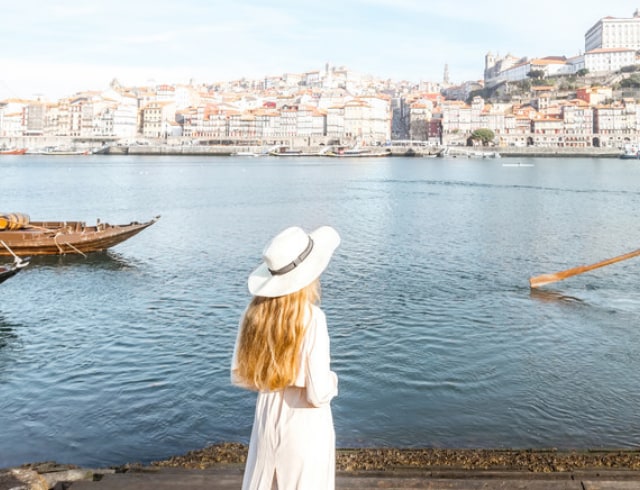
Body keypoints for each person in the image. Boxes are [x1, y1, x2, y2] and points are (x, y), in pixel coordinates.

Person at [231, 225, 340, 490]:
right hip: (304, 426)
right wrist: (333, 381)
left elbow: (241, 375)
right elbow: (317, 393)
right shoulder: (313, 319)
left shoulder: (253, 315)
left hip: (267, 418)